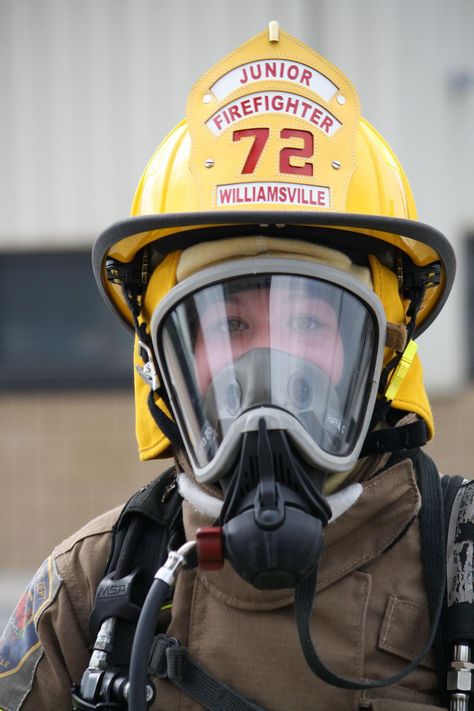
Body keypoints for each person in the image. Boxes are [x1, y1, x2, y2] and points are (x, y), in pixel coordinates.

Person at [0, 21, 463, 711]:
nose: (268, 378)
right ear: (160, 360)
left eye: (310, 322)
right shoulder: (83, 594)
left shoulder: (464, 578)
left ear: (386, 352)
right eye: (231, 324)